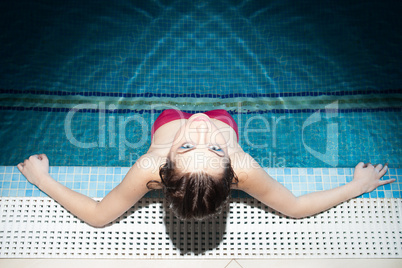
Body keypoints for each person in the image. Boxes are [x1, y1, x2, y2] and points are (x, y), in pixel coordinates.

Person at [17, 109, 394, 227]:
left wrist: (43, 179)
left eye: (191, 145)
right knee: (218, 120)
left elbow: (99, 216)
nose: (200, 126)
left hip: (166, 120)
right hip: (226, 118)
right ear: (231, 169)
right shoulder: (243, 166)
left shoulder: (148, 166)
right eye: (213, 147)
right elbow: (294, 208)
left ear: (165, 166)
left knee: (173, 115)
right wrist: (355, 186)